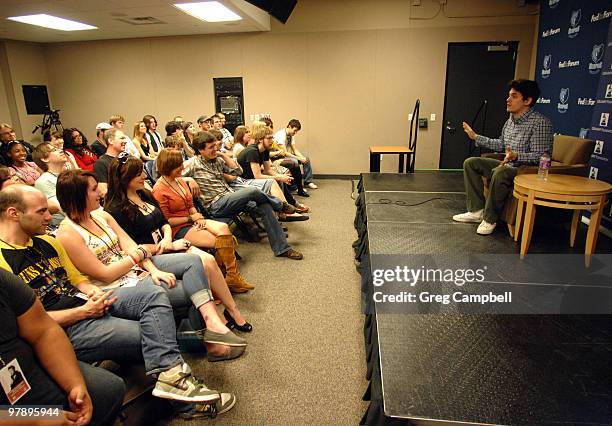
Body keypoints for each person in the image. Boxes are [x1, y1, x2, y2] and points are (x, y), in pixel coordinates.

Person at [0, 185, 236, 412]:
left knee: (153, 294)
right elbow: (29, 327)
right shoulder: (3, 263)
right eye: (41, 211)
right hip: (63, 330)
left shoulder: (46, 242)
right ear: (13, 213)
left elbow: (76, 279)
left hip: (90, 303)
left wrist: (90, 292)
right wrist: (83, 312)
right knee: (156, 334)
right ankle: (187, 400)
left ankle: (176, 378)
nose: (49, 217)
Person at [55, 170, 247, 362]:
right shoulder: (67, 234)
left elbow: (131, 246)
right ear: (77, 196)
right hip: (114, 288)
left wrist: (154, 270)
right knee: (191, 286)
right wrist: (138, 256)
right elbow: (105, 274)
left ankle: (211, 322)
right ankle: (207, 342)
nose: (101, 193)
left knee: (194, 261)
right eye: (94, 190)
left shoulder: (101, 215)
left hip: (134, 269)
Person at [105, 154, 252, 329]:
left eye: (143, 172)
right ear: (123, 178)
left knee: (209, 259)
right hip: (149, 257)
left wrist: (168, 238)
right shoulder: (116, 209)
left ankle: (232, 310)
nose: (145, 177)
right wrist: (171, 245)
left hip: (167, 244)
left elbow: (164, 222)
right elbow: (133, 247)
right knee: (203, 261)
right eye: (138, 174)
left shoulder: (144, 194)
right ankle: (217, 316)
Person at [0, 267, 124, 425]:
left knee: (106, 390)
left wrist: (74, 384)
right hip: (13, 413)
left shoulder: (3, 280)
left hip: (26, 373)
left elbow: (44, 331)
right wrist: (33, 419)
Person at [453, 79, 553, 235]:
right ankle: (476, 211)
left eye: (514, 96)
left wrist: (516, 156)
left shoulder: (540, 123)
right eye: (509, 96)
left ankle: (490, 218)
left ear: (527, 100)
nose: (508, 100)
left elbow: (541, 156)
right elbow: (501, 144)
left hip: (525, 170)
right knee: (471, 163)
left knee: (500, 172)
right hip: (508, 164)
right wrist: (475, 137)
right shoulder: (510, 121)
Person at [184, 131, 303, 260]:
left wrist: (223, 155)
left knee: (265, 206)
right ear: (201, 150)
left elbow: (238, 171)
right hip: (215, 205)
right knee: (251, 190)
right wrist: (189, 180)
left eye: (215, 146)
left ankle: (282, 248)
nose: (215, 149)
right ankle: (281, 205)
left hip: (230, 197)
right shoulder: (192, 164)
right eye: (211, 147)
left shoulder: (217, 160)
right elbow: (166, 177)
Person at [152, 149, 254, 293]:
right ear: (167, 167)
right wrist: (191, 217)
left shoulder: (179, 180)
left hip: (193, 220)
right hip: (178, 228)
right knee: (218, 241)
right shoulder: (159, 190)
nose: (182, 168)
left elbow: (190, 205)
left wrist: (197, 215)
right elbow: (166, 220)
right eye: (178, 166)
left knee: (224, 229)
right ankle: (223, 280)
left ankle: (231, 277)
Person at [236, 126, 310, 214]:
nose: (272, 140)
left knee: (279, 179)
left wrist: (281, 176)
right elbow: (257, 176)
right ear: (260, 139)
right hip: (244, 181)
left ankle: (287, 208)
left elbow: (268, 170)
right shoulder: (252, 151)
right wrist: (279, 178)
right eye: (269, 138)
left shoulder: (265, 150)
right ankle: (285, 210)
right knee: (276, 180)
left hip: (253, 178)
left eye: (272, 137)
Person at [274, 119, 317, 189]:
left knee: (306, 159)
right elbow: (285, 153)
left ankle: (308, 181)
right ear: (290, 127)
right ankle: (296, 185)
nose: (295, 132)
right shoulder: (280, 135)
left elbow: (295, 149)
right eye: (295, 130)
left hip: (288, 155)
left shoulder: (291, 135)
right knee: (295, 161)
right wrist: (298, 158)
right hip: (279, 157)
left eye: (297, 131)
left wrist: (302, 157)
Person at [32, 143, 67, 227]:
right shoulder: (43, 181)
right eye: (55, 150)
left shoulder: (68, 175)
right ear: (45, 159)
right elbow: (61, 207)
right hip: (62, 224)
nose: (60, 150)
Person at [93, 128, 126, 198]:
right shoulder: (101, 163)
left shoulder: (126, 159)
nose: (125, 141)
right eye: (122, 138)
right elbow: (103, 192)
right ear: (110, 141)